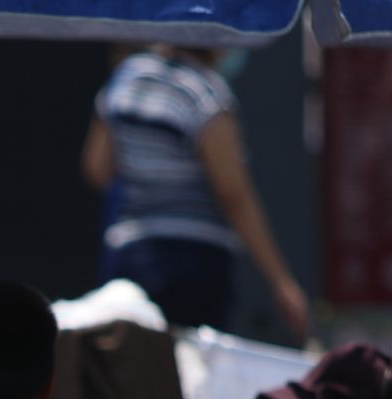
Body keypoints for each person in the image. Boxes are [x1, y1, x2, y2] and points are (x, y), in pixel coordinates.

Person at [82, 46, 309, 340]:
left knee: (135, 368)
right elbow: (232, 192)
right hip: (194, 261)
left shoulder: (125, 79)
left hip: (130, 256)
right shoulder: (204, 92)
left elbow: (97, 169)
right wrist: (281, 281)